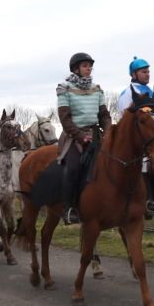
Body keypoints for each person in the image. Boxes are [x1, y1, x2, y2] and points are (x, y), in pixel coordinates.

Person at [56, 52, 112, 225]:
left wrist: (109, 130)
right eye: (85, 66)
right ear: (76, 69)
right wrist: (80, 136)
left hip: (95, 134)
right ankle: (69, 208)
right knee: (73, 167)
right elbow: (65, 118)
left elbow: (104, 115)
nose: (89, 69)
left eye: (90, 66)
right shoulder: (64, 88)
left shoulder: (96, 89)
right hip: (74, 135)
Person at [117, 57, 154, 219]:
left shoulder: (152, 92)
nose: (147, 74)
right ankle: (146, 200)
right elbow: (125, 117)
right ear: (134, 74)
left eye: (148, 71)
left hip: (153, 137)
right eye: (144, 72)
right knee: (143, 163)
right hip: (135, 139)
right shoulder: (127, 93)